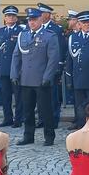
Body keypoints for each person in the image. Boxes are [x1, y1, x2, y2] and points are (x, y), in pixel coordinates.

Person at [10, 7, 60, 146]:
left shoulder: (49, 36)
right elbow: (16, 56)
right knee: (27, 110)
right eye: (29, 20)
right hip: (25, 79)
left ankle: (49, 136)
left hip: (42, 79)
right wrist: (14, 74)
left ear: (40, 20)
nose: (31, 22)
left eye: (34, 20)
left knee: (46, 110)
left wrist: (47, 77)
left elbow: (53, 59)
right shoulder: (23, 35)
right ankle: (28, 136)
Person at [36, 3, 66, 128]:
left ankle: (54, 119)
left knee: (53, 95)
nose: (40, 16)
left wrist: (59, 65)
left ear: (47, 14)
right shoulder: (37, 28)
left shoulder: (56, 29)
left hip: (52, 67)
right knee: (41, 95)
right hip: (39, 68)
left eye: (41, 13)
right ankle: (42, 118)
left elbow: (60, 48)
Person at [0, 6, 23, 127]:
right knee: (6, 96)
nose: (10, 18)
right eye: (8, 16)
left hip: (16, 69)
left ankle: (18, 119)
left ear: (16, 18)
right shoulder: (0, 31)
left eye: (12, 16)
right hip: (4, 69)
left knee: (18, 96)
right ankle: (7, 118)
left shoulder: (21, 31)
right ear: (5, 18)